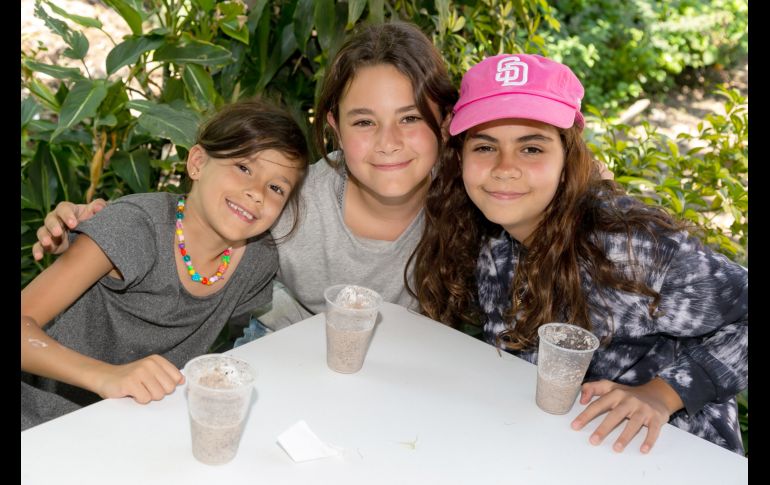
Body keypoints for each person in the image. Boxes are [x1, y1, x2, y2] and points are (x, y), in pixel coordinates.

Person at [409, 53, 748, 455]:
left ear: (567, 160)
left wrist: (664, 394)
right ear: (460, 157)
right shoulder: (495, 244)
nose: (504, 167)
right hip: (564, 447)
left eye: (531, 148)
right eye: (485, 146)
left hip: (672, 453)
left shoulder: (630, 249)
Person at [31, 22, 458, 338]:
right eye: (365, 121)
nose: (389, 142)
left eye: (411, 118)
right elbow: (191, 222)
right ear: (335, 127)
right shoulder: (286, 198)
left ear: (443, 123)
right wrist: (92, 238)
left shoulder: (470, 203)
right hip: (275, 355)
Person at [21, 99, 308, 429]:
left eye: (276, 188)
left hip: (144, 427)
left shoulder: (257, 261)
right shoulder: (135, 229)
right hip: (44, 426)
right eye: (244, 167)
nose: (257, 193)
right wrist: (109, 377)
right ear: (198, 162)